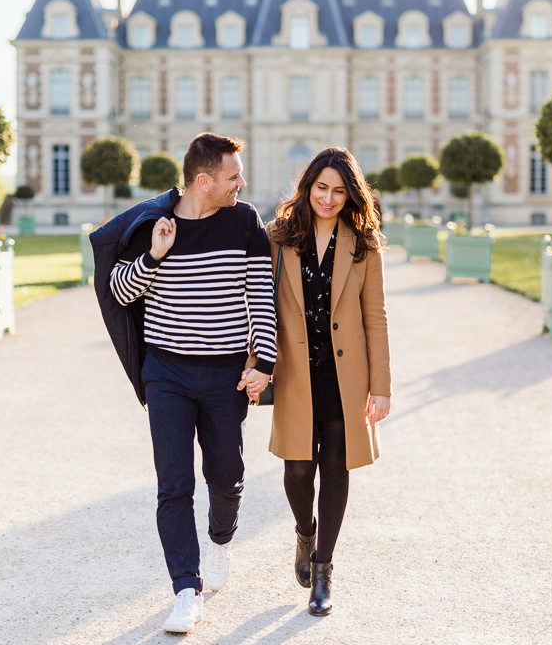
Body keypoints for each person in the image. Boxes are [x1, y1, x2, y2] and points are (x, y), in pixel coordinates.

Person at [102, 133, 275, 634]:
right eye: (234, 176)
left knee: (226, 476)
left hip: (225, 375)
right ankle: (186, 588)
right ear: (204, 180)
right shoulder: (155, 224)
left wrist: (263, 362)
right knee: (173, 484)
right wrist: (154, 256)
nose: (242, 183)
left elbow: (260, 296)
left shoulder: (245, 221)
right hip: (168, 374)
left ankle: (221, 540)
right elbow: (119, 292)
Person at [251, 147, 392, 617]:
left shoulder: (364, 243)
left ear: (350, 193)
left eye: (338, 190)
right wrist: (256, 363)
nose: (328, 198)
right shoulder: (279, 236)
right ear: (307, 186)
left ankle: (324, 568)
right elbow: (259, 305)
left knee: (335, 468)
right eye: (320, 188)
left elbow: (376, 317)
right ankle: (304, 533)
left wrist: (381, 385)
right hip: (295, 370)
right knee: (296, 471)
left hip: (344, 374)